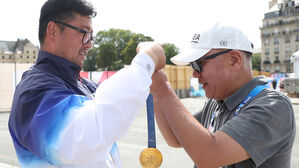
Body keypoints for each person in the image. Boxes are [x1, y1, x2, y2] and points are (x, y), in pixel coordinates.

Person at [8, 0, 165, 167]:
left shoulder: (82, 84)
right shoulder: (34, 92)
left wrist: (149, 79)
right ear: (53, 31)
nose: (89, 44)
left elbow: (115, 105)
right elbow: (86, 137)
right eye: (83, 32)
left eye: (91, 36)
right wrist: (145, 62)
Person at [150, 23, 296, 168]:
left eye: (198, 63)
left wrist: (164, 89)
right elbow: (175, 138)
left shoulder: (273, 106)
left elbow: (209, 155)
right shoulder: (217, 102)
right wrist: (156, 92)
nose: (195, 73)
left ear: (234, 60)